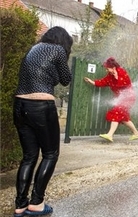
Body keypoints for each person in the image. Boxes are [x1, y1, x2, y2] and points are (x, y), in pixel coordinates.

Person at [12, 26, 73, 217]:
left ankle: (20, 205)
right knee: (50, 154)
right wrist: (57, 70)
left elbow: (41, 75)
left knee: (29, 156)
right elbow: (65, 79)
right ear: (63, 41)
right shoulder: (59, 50)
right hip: (40, 106)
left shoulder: (33, 49)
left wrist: (51, 75)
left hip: (19, 105)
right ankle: (37, 202)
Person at [84, 57, 138, 142]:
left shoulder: (122, 72)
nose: (106, 70)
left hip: (128, 97)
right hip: (121, 98)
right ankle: (136, 133)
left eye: (108, 69)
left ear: (113, 67)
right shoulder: (110, 76)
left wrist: (116, 77)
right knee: (123, 118)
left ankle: (110, 135)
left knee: (116, 113)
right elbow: (102, 82)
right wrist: (91, 81)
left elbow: (126, 84)